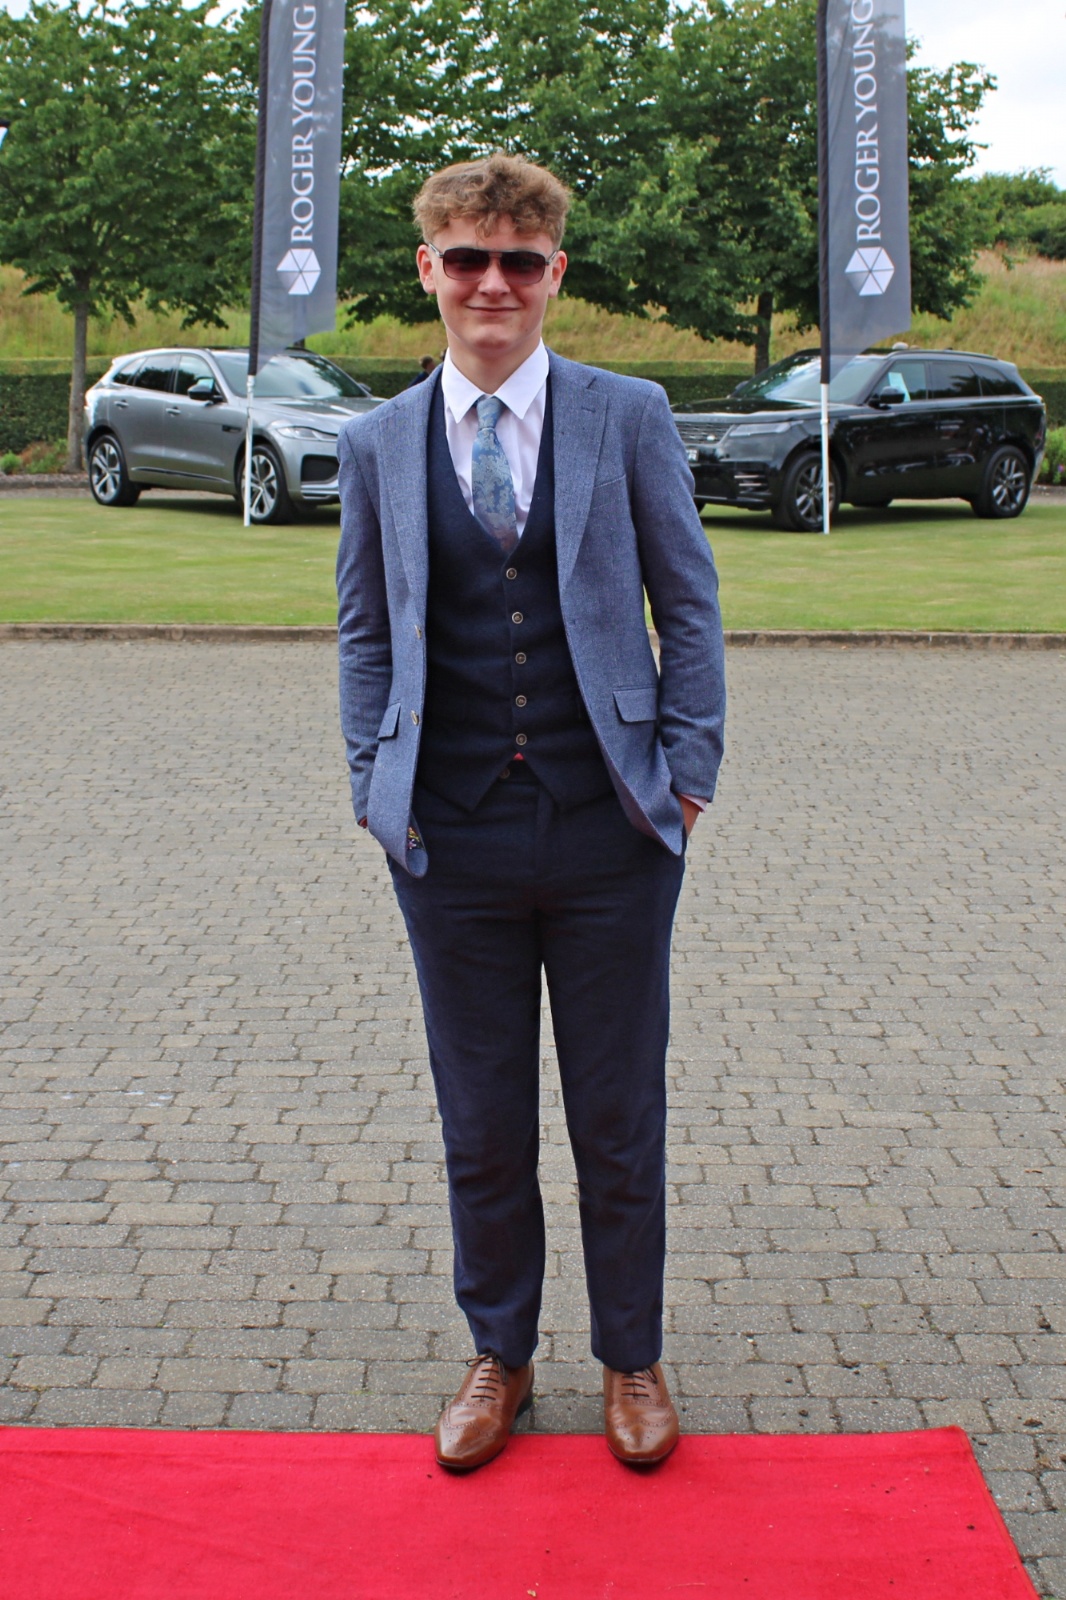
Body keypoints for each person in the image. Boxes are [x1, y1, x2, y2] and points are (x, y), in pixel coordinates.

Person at [336, 152, 725, 1472]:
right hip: (449, 838)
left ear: (555, 273)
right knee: (481, 1120)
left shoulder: (628, 414)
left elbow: (689, 603)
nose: (490, 283)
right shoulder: (378, 443)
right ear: (429, 270)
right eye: (467, 258)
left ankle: (632, 1358)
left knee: (616, 1116)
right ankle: (498, 1354)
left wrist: (685, 773)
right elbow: (364, 631)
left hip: (613, 827)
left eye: (517, 260)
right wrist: (372, 785)